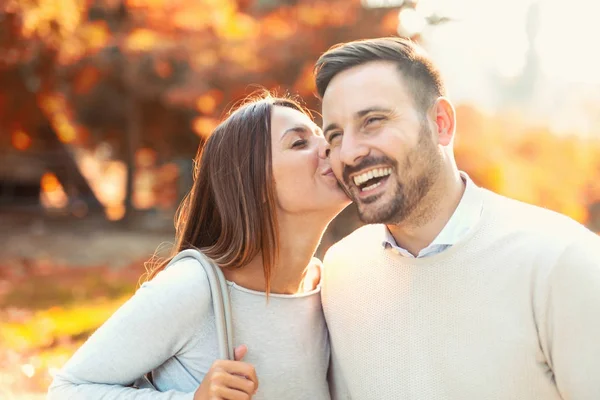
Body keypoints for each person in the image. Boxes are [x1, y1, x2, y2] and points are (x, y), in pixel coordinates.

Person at [314, 37, 600, 399]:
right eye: (335, 136)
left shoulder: (563, 261)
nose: (350, 152)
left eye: (372, 121)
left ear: (441, 123)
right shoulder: (340, 272)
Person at [47, 93, 350, 400]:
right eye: (299, 143)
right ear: (254, 184)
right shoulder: (195, 286)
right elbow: (67, 391)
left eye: (322, 136)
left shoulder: (329, 286)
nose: (328, 146)